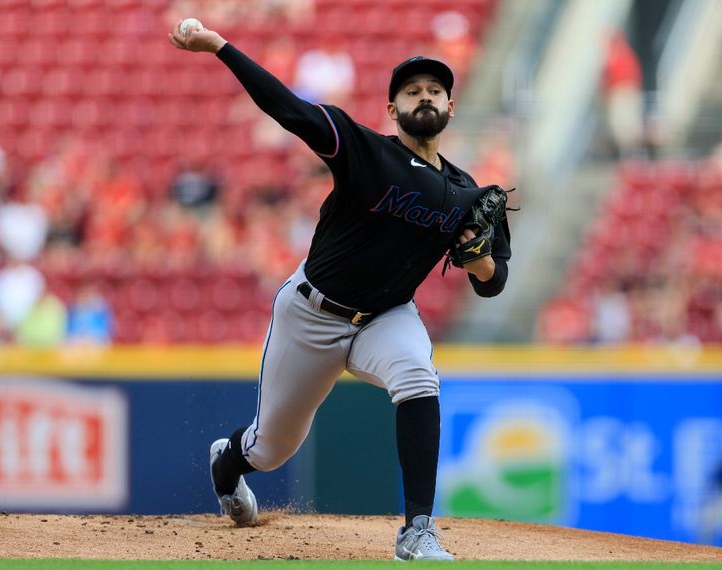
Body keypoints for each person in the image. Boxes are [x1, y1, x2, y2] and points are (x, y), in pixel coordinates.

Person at [169, 19, 512, 561]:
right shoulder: (364, 150)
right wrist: (221, 47)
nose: (425, 97)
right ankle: (228, 463)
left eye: (435, 90)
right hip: (313, 313)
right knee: (270, 450)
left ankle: (418, 530)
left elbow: (494, 283)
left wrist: (482, 262)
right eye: (412, 91)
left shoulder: (469, 195)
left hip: (386, 316)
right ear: (392, 110)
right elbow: (288, 108)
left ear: (451, 108)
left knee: (419, 378)